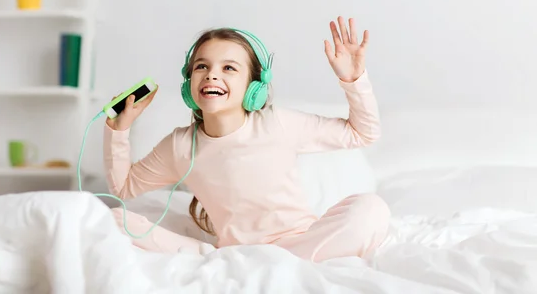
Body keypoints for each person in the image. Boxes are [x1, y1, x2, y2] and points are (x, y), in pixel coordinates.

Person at [103, 16, 391, 262]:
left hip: (299, 243)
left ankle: (275, 261)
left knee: (371, 210)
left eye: (228, 68)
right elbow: (124, 188)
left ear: (254, 87)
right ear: (189, 83)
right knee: (116, 219)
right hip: (234, 254)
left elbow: (362, 133)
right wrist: (119, 129)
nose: (212, 75)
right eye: (202, 67)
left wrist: (354, 80)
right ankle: (246, 260)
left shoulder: (277, 123)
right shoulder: (180, 145)